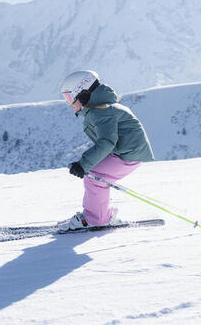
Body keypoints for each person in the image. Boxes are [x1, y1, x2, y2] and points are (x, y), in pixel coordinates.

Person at [58, 69, 154, 231]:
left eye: (69, 98)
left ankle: (97, 218)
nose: (70, 104)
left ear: (82, 94)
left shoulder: (101, 111)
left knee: (94, 177)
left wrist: (83, 164)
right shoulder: (102, 108)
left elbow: (106, 142)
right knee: (94, 176)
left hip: (128, 155)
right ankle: (99, 215)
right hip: (125, 152)